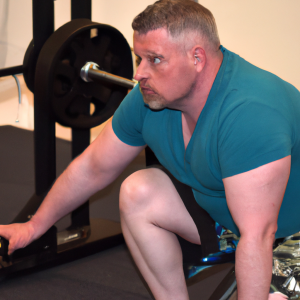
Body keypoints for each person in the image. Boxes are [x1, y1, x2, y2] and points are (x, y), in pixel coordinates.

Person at [0, 0, 299, 299]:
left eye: (154, 59)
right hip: (232, 217)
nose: (140, 73)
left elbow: (258, 235)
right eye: (138, 58)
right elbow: (94, 167)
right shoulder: (150, 98)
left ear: (197, 58)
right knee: (138, 192)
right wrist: (32, 228)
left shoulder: (249, 113)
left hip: (288, 233)